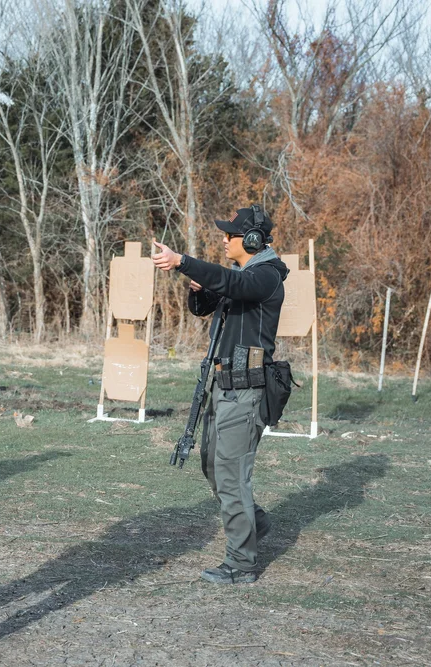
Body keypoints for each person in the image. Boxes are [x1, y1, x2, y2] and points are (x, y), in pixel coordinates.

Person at [152, 205, 289, 584]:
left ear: (252, 240)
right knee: (212, 465)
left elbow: (234, 286)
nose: (224, 240)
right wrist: (198, 286)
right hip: (223, 385)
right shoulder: (242, 275)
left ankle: (242, 564)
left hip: (246, 390)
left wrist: (183, 262)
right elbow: (205, 306)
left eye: (230, 235)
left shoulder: (266, 277)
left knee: (231, 476)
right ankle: (254, 522)